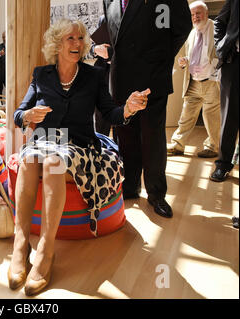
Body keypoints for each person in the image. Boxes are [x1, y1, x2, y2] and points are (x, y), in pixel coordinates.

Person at [9, 19, 149, 296]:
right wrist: (26, 116)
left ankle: (46, 251)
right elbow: (19, 113)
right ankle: (21, 242)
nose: (77, 43)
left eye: (80, 38)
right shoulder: (41, 75)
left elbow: (110, 113)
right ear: (57, 44)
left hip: (79, 145)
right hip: (45, 140)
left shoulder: (93, 76)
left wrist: (129, 108)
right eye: (70, 38)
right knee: (29, 159)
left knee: (53, 162)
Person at [102, 0, 192, 218]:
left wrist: (161, 57)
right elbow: (112, 33)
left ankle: (156, 194)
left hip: (152, 76)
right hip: (121, 77)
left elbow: (182, 26)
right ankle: (130, 187)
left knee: (153, 136)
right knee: (125, 135)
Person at [168, 1, 221, 158]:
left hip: (212, 82)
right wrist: (185, 62)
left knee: (212, 117)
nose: (195, 17)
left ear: (206, 13)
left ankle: (212, 146)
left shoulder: (216, 28)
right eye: (192, 15)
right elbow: (193, 56)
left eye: (198, 13)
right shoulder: (191, 33)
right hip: (193, 81)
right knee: (186, 115)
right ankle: (178, 145)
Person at [210, 0, 239, 182]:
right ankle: (223, 164)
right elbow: (219, 22)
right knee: (229, 116)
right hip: (234, 62)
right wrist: (221, 46)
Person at [90, 15, 113, 136]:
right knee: (100, 121)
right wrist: (95, 49)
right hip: (102, 74)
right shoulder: (104, 19)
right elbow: (91, 46)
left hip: (122, 74)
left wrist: (111, 54)